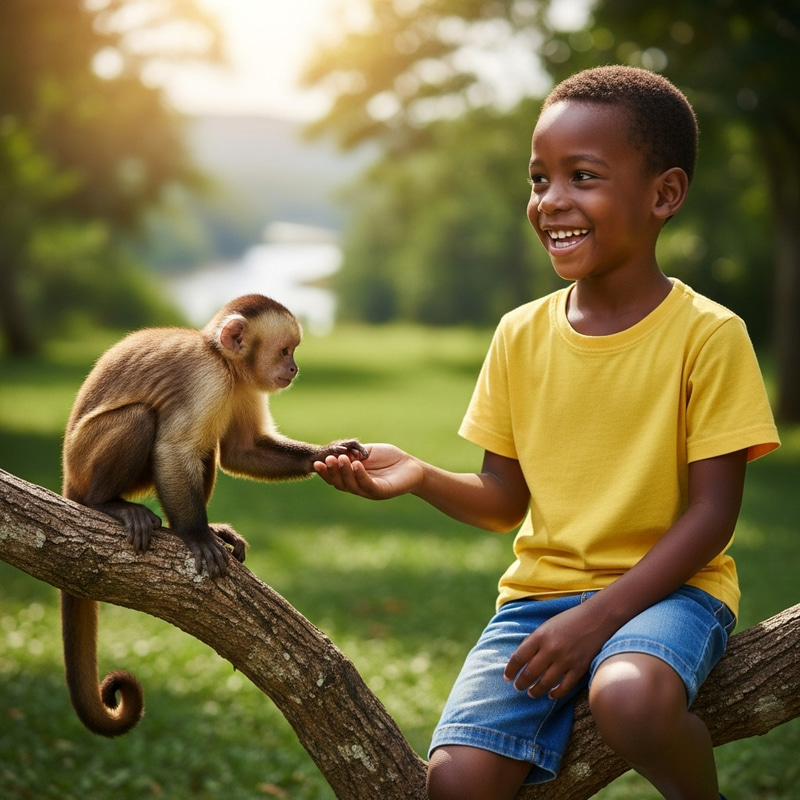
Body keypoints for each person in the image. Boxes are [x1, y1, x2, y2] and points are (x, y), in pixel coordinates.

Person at [314, 65, 780, 800]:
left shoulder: (709, 335)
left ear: (664, 194)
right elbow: (504, 497)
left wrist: (596, 621)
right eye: (539, 180)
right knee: (457, 783)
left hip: (674, 594)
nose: (552, 202)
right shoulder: (520, 334)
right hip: (537, 602)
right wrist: (418, 475)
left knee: (627, 697)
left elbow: (713, 516)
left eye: (583, 176)